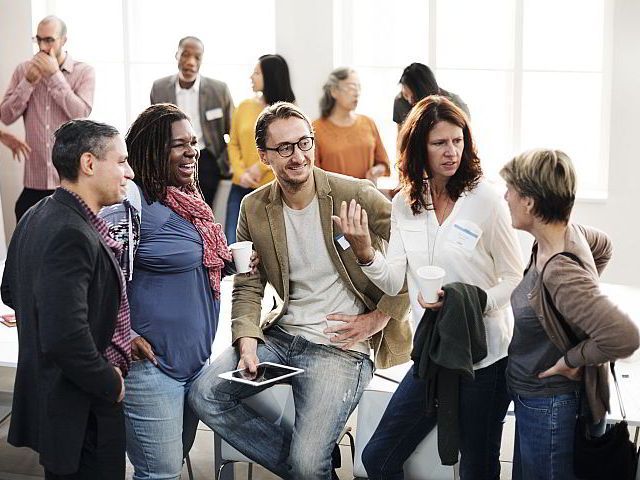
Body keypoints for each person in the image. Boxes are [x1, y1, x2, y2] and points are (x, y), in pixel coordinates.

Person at [189, 102, 412, 480]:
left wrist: (378, 319)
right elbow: (247, 283)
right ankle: (309, 466)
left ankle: (311, 465)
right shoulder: (254, 207)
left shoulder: (354, 193)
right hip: (280, 337)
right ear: (264, 156)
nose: (298, 156)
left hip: (340, 347)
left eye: (304, 143)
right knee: (203, 394)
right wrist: (245, 340)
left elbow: (415, 255)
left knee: (310, 463)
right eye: (285, 148)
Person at [337, 95, 523, 479]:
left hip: (484, 357)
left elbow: (514, 277)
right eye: (440, 143)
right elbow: (393, 279)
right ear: (419, 147)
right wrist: (365, 250)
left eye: (458, 141)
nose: (451, 151)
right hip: (432, 353)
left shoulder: (486, 200)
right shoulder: (407, 203)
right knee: (378, 458)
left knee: (477, 467)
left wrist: (471, 302)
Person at [100, 103, 238, 480]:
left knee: (171, 465)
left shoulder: (189, 200)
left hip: (195, 363)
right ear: (151, 150)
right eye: (179, 145)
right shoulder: (131, 202)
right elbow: (97, 278)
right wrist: (122, 334)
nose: (192, 151)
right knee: (158, 473)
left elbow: (192, 260)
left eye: (192, 143)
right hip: (152, 368)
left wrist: (230, 263)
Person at [1, 119, 133, 479]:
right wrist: (111, 383)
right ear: (88, 164)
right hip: (84, 406)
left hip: (59, 401)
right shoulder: (73, 233)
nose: (129, 173)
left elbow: (10, 290)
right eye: (120, 162)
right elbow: (65, 336)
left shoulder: (35, 214)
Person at [500, 149, 639, 480]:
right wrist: (574, 309)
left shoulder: (559, 269)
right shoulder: (563, 235)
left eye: (511, 190)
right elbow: (603, 245)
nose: (505, 197)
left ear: (530, 202)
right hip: (533, 397)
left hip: (548, 405)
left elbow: (625, 336)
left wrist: (572, 358)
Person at [0, 15, 95, 221]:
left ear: (63, 40)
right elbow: (6, 116)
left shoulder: (84, 72)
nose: (42, 46)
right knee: (28, 247)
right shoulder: (24, 70)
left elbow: (80, 114)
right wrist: (28, 82)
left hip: (71, 182)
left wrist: (54, 76)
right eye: (38, 39)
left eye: (49, 40)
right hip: (34, 183)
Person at [150, 36, 234, 207]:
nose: (190, 62)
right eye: (185, 55)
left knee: (203, 209)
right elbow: (154, 130)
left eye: (197, 57)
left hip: (207, 160)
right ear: (176, 56)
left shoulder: (219, 90)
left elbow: (233, 130)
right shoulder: (159, 88)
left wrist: (229, 163)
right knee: (174, 208)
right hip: (171, 158)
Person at [225, 53, 295, 244]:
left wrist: (260, 167)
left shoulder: (288, 112)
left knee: (269, 244)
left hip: (273, 186)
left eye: (256, 73)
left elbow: (286, 148)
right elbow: (233, 144)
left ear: (270, 77)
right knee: (234, 244)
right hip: (240, 186)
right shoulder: (244, 106)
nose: (251, 77)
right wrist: (242, 174)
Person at [313, 67, 389, 182]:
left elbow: (383, 163)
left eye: (358, 87)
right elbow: (313, 174)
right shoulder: (316, 128)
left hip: (367, 196)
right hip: (334, 198)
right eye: (351, 87)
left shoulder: (368, 123)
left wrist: (376, 171)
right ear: (334, 91)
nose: (357, 93)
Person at [393, 62, 470, 129]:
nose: (409, 101)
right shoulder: (400, 100)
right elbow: (401, 136)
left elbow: (465, 138)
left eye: (414, 97)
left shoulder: (455, 104)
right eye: (405, 95)